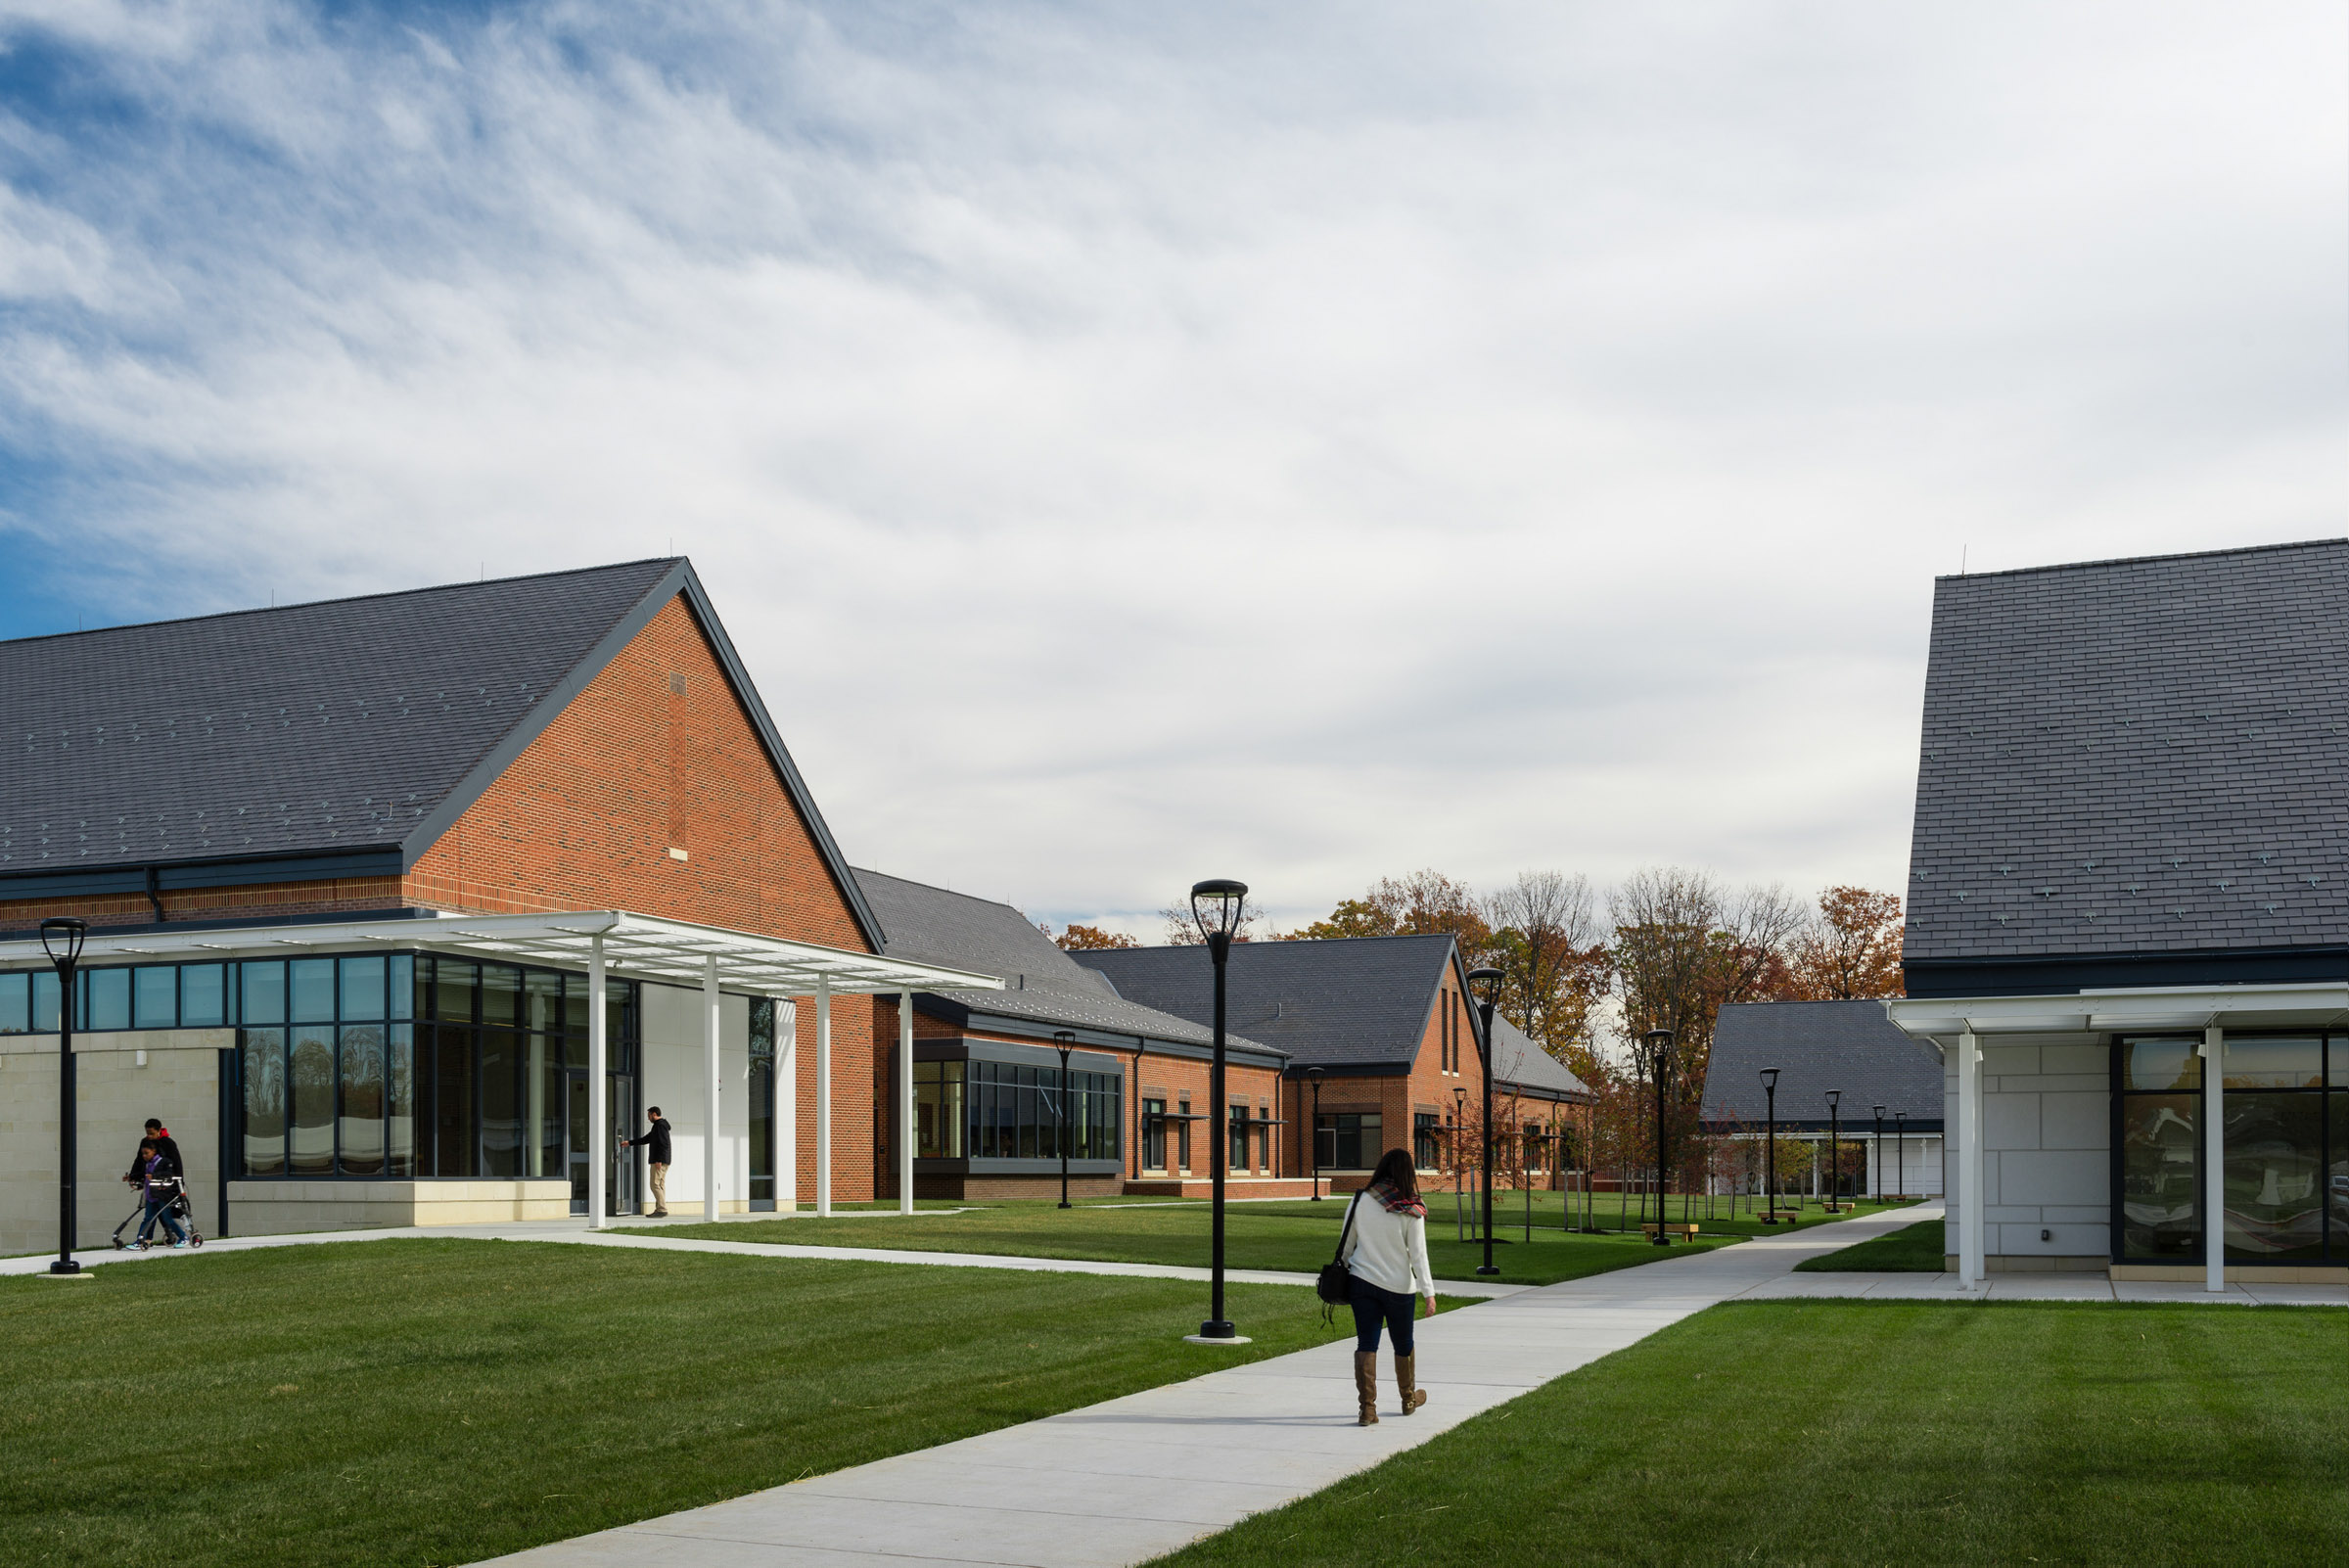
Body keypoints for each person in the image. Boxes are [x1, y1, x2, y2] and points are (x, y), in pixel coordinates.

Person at [1337, 1147, 1437, 1426]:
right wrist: (1428, 1292)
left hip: (1362, 1282)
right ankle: (1407, 1399)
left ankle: (1367, 1409)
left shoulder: (1361, 1200)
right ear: (1409, 1173)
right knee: (1403, 1344)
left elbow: (1346, 1245)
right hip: (1399, 1287)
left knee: (1366, 1343)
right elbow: (1418, 1254)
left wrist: (1340, 1273)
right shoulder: (1410, 1206)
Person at [131, 1140, 190, 1249]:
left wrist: (154, 1175)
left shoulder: (164, 1162)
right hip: (151, 1196)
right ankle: (140, 1240)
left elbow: (168, 1174)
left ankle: (183, 1237)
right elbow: (143, 1176)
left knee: (168, 1219)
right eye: (143, 1153)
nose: (144, 1156)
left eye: (146, 1153)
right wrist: (132, 1178)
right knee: (147, 1219)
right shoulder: (148, 1164)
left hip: (162, 1196)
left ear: (154, 1151)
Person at [621, 1106, 673, 1217]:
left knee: (654, 1184)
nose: (648, 1118)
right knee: (660, 1184)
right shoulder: (658, 1126)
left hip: (659, 1160)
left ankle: (662, 1209)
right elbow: (646, 1139)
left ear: (654, 1114)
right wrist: (629, 1143)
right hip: (663, 1160)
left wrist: (659, 1159)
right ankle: (660, 1208)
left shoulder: (660, 1126)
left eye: (649, 1115)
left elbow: (664, 1144)